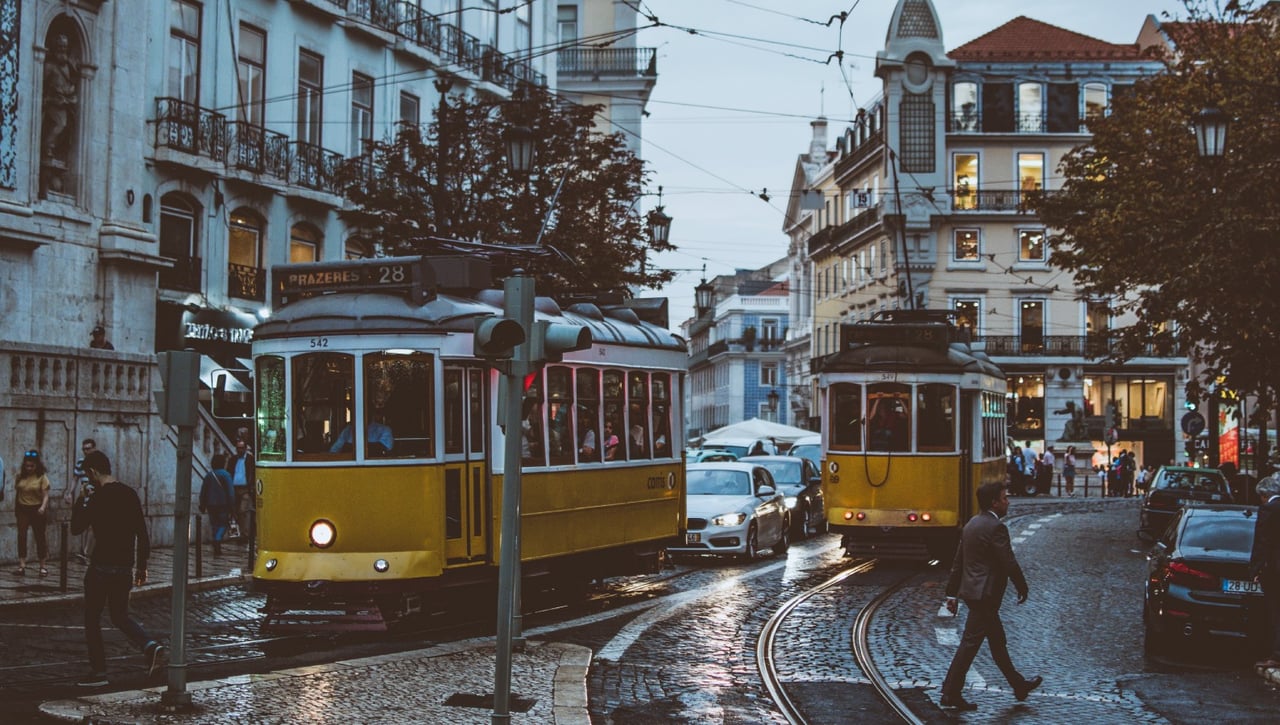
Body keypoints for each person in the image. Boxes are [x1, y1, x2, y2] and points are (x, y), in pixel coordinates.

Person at [940, 481, 1042, 710]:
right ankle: (950, 693)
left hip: (975, 593)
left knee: (997, 642)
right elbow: (1008, 561)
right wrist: (1022, 586)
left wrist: (951, 593)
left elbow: (959, 562)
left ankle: (1018, 685)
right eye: (1005, 498)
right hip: (986, 595)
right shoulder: (996, 528)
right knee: (969, 645)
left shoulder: (971, 524)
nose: (1008, 502)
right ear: (994, 503)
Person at [70, 450, 166, 687]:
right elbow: (142, 534)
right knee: (120, 615)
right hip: (125, 567)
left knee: (92, 619)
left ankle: (99, 672)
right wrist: (142, 567)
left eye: (88, 475)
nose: (88, 480)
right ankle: (149, 645)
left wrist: (81, 500)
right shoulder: (130, 494)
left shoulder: (96, 498)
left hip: (101, 566)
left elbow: (76, 528)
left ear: (93, 472)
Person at [1251, 475, 1280, 671]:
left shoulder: (1269, 509)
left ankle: (1276, 655)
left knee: (1275, 611)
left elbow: (1262, 541)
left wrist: (1256, 568)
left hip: (1274, 569)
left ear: (1263, 495)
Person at [14, 449, 52, 577]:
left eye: (32, 466)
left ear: (37, 465)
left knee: (39, 537)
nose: (29, 468)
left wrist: (42, 507)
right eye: (27, 466)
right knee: (22, 535)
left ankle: (42, 566)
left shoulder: (42, 477)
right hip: (22, 508)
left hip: (36, 509)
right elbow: (18, 490)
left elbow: (46, 495)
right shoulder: (20, 476)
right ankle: (22, 565)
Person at [65, 438, 98, 562]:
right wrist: (69, 493)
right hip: (84, 497)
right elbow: (75, 478)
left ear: (94, 448)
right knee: (84, 524)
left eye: (88, 448)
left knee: (92, 526)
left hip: (96, 496)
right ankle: (86, 552)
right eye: (84, 449)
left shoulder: (99, 462)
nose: (86, 451)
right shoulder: (80, 462)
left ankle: (86, 552)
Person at [199, 454, 234, 556]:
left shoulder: (209, 475)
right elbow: (230, 492)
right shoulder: (226, 475)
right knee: (223, 524)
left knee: (214, 524)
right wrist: (232, 505)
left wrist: (202, 504)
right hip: (223, 504)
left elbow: (203, 491)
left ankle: (216, 541)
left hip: (211, 504)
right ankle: (217, 540)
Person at [330, 408, 394, 456]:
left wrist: (350, 447)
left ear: (371, 412)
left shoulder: (384, 430)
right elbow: (334, 450)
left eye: (365, 410)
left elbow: (386, 449)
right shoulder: (348, 430)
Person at [228, 439, 255, 539]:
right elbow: (229, 471)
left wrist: (251, 486)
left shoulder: (250, 459)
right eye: (238, 448)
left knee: (244, 511)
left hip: (245, 489)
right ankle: (237, 533)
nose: (239, 450)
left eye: (241, 448)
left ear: (245, 448)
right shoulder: (233, 459)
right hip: (234, 488)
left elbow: (253, 473)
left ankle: (245, 534)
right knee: (235, 512)